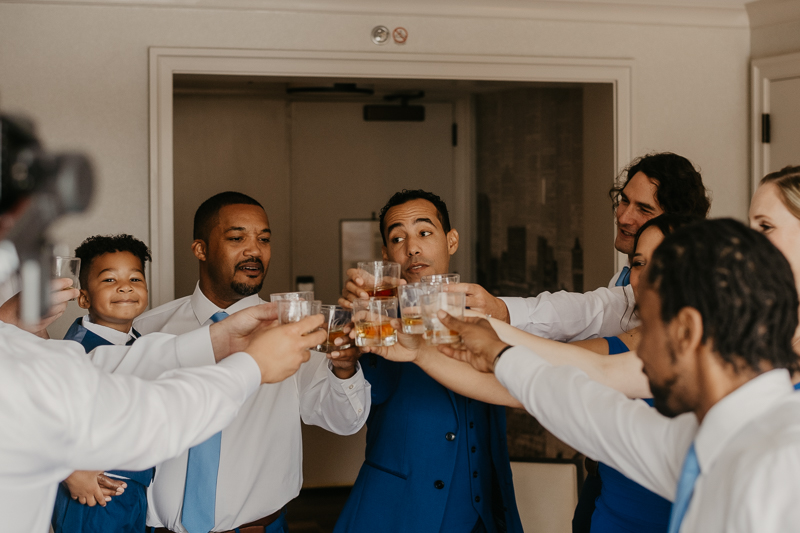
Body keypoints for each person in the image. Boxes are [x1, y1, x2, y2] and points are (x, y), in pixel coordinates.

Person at [438, 218, 800, 532]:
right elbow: (592, 412)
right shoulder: (699, 441)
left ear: (687, 331)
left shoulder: (781, 469)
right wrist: (498, 355)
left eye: (651, 327)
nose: (639, 350)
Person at [133, 191, 369, 533]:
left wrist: (344, 367)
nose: (254, 250)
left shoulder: (294, 330)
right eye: (236, 238)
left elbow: (345, 421)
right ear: (200, 249)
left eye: (264, 239)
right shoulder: (149, 328)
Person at [336, 190, 523, 533]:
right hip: (398, 512)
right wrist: (348, 352)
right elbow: (351, 409)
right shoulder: (373, 319)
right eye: (398, 238)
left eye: (424, 232)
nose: (413, 248)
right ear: (386, 253)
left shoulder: (487, 316)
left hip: (484, 514)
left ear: (451, 241)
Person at [444, 152, 710, 341]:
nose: (623, 216)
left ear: (676, 224)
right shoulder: (624, 279)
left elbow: (591, 318)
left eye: (643, 209)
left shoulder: (694, 305)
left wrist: (502, 316)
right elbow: (588, 310)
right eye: (624, 200)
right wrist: (500, 310)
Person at [570, 215, 697, 533]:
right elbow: (535, 373)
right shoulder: (614, 349)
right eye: (638, 263)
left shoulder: (726, 357)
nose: (648, 274)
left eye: (664, 260)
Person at [52, 234, 155, 533]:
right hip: (94, 493)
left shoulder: (144, 346)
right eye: (110, 280)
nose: (125, 286)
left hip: (135, 488)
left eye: (135, 278)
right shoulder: (74, 352)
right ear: (83, 298)